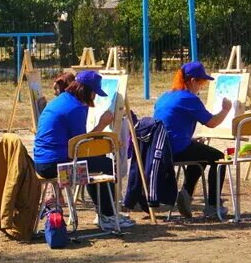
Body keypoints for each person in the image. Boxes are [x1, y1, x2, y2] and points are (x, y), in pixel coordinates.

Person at [32, 70, 133, 231]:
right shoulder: (75, 108)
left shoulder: (64, 100)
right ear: (86, 91)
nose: (94, 97)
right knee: (106, 164)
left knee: (95, 162)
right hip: (53, 165)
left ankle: (105, 213)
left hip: (42, 162)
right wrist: (101, 124)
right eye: (94, 93)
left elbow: (79, 144)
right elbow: (82, 146)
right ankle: (107, 216)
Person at [152, 61, 232, 219]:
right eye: (201, 83)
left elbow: (170, 123)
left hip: (161, 148)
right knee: (220, 159)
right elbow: (212, 123)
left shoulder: (165, 96)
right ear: (193, 80)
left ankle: (186, 194)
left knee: (200, 155)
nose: (201, 87)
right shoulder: (189, 99)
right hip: (176, 148)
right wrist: (225, 110)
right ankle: (213, 206)